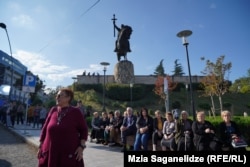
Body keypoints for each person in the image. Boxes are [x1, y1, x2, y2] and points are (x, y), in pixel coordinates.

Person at [37, 88, 88, 167]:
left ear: (68, 98)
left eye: (60, 95)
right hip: (50, 150)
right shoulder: (53, 110)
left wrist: (81, 146)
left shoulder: (75, 112)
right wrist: (40, 146)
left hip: (67, 152)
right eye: (57, 95)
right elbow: (45, 128)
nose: (57, 97)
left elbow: (84, 130)